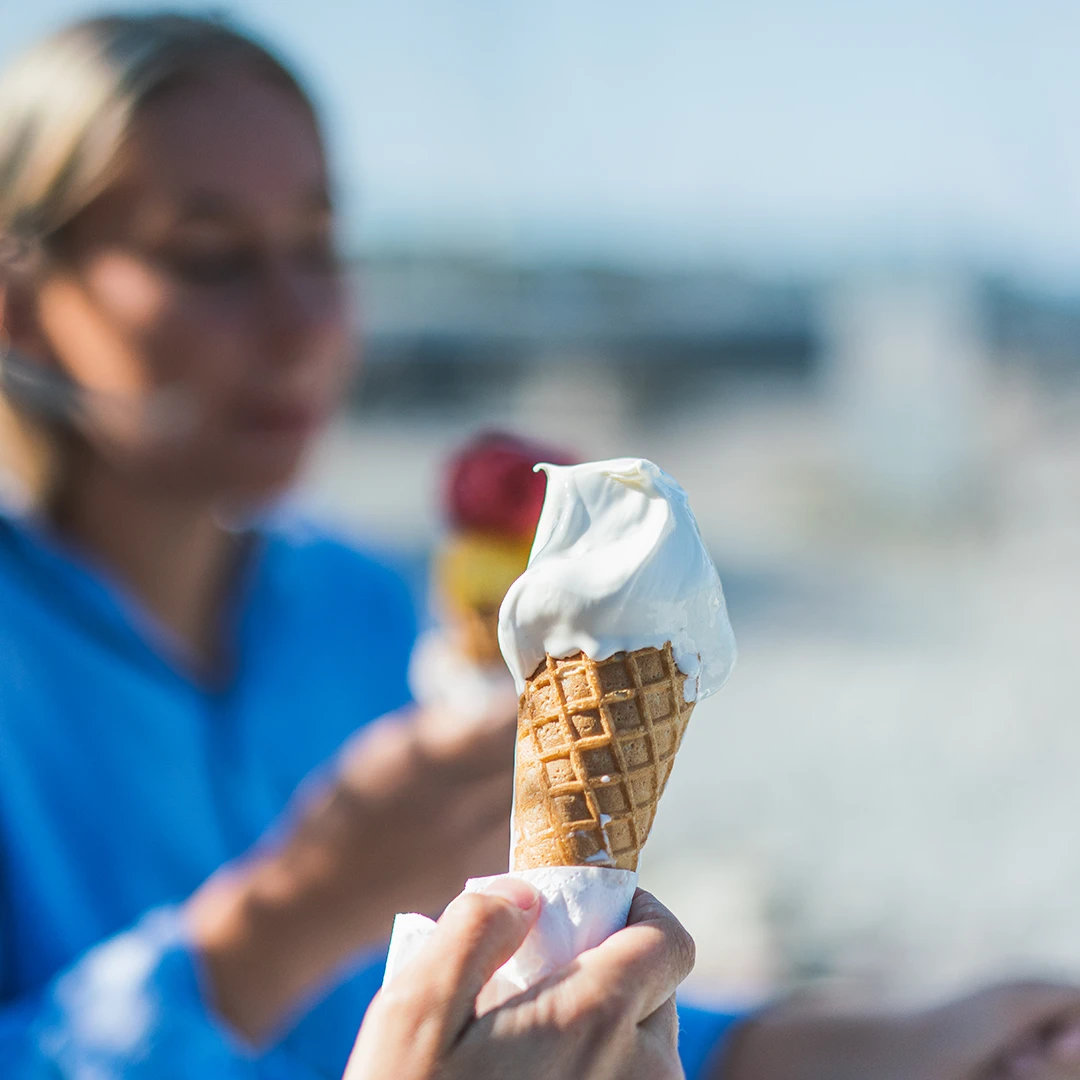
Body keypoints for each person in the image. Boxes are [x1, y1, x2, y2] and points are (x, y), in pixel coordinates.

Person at [0, 11, 1079, 1080]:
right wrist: (286, 919)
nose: (303, 321)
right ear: (17, 308)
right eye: (212, 257)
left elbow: (527, 1010)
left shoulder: (361, 607)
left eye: (321, 246)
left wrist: (915, 1042)